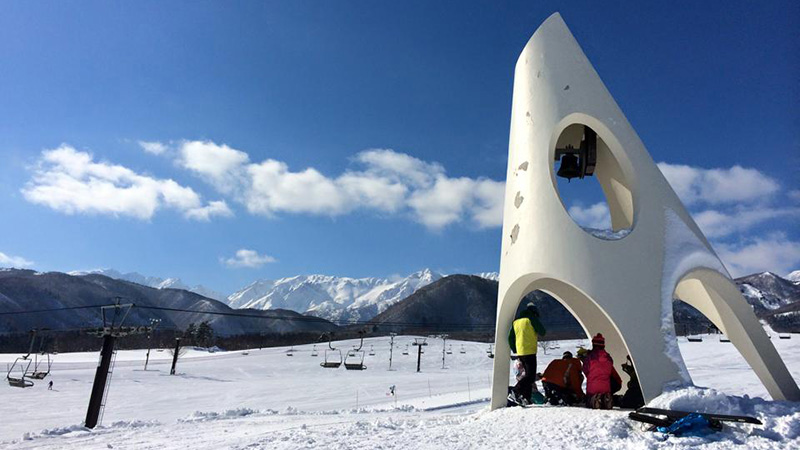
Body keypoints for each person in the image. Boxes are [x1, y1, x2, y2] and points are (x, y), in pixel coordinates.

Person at [507, 302, 546, 405]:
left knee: (527, 377)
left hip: (521, 352)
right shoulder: (531, 318)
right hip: (529, 352)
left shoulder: (516, 322)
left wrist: (515, 349)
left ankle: (526, 397)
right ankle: (515, 391)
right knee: (531, 376)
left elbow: (510, 338)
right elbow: (542, 331)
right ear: (534, 312)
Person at [582, 333, 622, 409]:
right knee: (604, 388)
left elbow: (585, 370)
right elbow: (610, 371)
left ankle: (595, 399)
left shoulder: (589, 357)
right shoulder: (608, 358)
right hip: (606, 388)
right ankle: (605, 398)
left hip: (592, 388)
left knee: (588, 401)